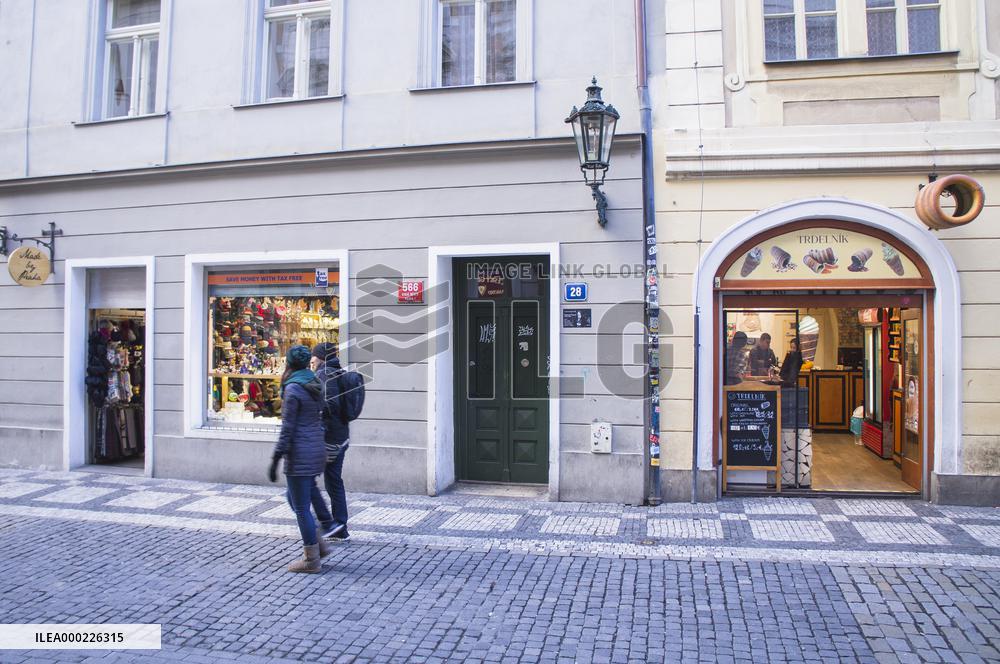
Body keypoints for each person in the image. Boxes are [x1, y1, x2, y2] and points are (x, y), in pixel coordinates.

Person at [268, 345, 331, 573]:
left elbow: (288, 428)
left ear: (290, 364)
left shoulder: (293, 388)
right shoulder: (314, 382)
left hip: (300, 452)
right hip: (316, 448)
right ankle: (320, 543)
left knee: (301, 506)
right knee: (294, 497)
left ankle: (311, 559)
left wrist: (276, 457)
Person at [311, 342, 351, 543]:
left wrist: (314, 408)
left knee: (306, 481)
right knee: (334, 481)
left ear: (320, 357)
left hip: (329, 439)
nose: (312, 360)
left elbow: (331, 404)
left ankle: (327, 524)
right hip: (341, 435)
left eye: (314, 356)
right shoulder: (339, 371)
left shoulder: (325, 373)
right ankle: (339, 527)